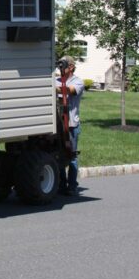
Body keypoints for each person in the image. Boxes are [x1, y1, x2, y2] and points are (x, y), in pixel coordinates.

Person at [55, 56, 84, 196]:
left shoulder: (78, 82)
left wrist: (54, 87)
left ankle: (72, 185)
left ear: (71, 67)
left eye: (64, 65)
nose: (61, 68)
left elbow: (69, 90)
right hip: (58, 126)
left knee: (71, 156)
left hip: (72, 124)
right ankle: (61, 184)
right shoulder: (56, 80)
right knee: (58, 155)